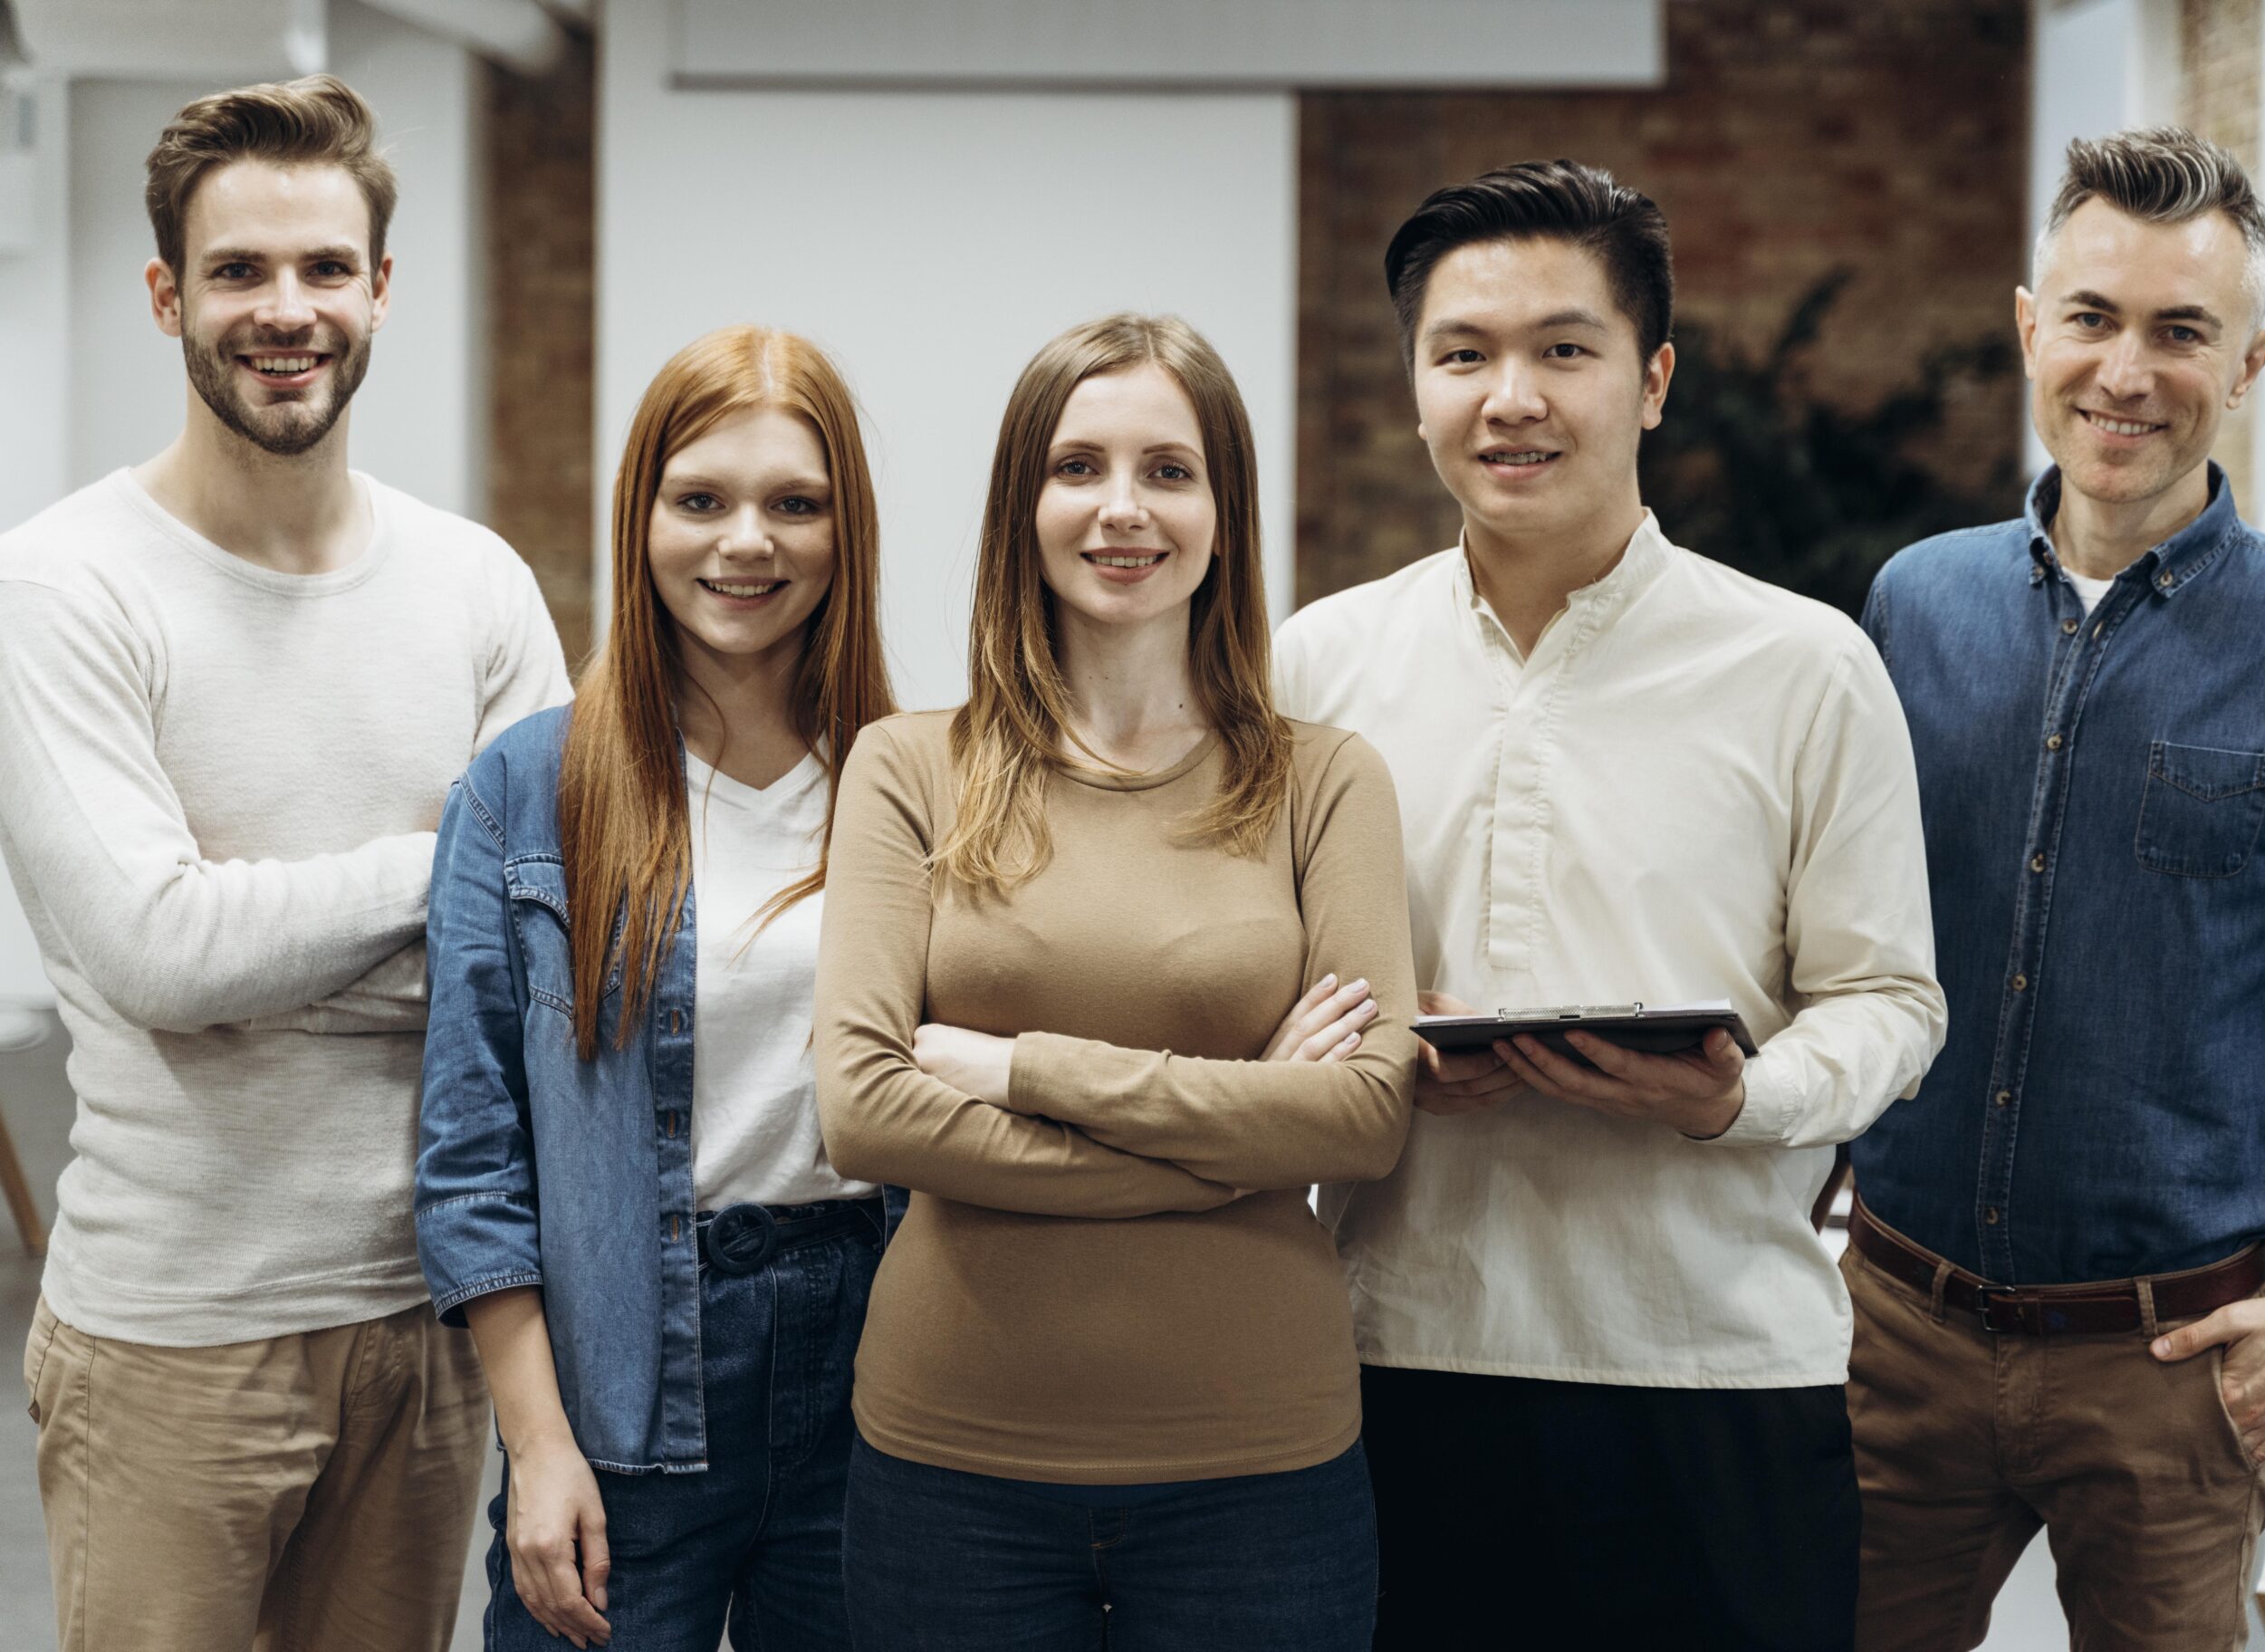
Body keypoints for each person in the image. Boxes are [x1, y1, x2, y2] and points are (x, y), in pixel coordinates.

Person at [1272, 158, 1947, 1650]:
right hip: (1393, 1363)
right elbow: (1256, 984)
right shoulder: (1317, 665)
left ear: (1651, 382)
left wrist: (1739, 1097)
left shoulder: (1804, 667)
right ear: (1416, 389)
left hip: (1717, 1378)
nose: (1510, 398)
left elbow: (1892, 1001)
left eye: (1563, 350)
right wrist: (1367, 1061)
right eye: (1463, 355)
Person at [0, 75, 569, 1652]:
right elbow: (161, 953)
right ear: (166, 295)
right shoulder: (61, 589)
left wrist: (264, 954)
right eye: (239, 270)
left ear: (380, 289)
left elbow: (541, 945)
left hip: (433, 1317)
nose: (286, 309)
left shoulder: (476, 585)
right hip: (175, 1336)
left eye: (324, 267)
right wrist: (449, 868)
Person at [815, 312, 1418, 1651]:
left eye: (1169, 470)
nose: (1123, 508)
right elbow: (862, 1114)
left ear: (1224, 511)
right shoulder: (907, 767)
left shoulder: (1327, 781)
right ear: (1021, 506)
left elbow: (1367, 1117)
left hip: (1261, 1470)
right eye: (1078, 467)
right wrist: (1238, 1139)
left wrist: (1022, 1069)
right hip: (950, 1468)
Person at [1845, 126, 2265, 1651]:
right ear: (2029, 326)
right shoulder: (1913, 602)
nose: (2127, 371)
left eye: (2181, 331)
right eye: (2093, 318)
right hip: (1894, 1336)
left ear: (2249, 362)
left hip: (2175, 1372)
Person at [415, 325, 902, 1652]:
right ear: (641, 517)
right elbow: (472, 1160)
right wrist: (539, 1446)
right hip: (621, 1387)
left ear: (845, 529)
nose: (746, 542)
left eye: (794, 504)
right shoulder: (529, 785)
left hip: (877, 1373)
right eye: (701, 500)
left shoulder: (911, 778)